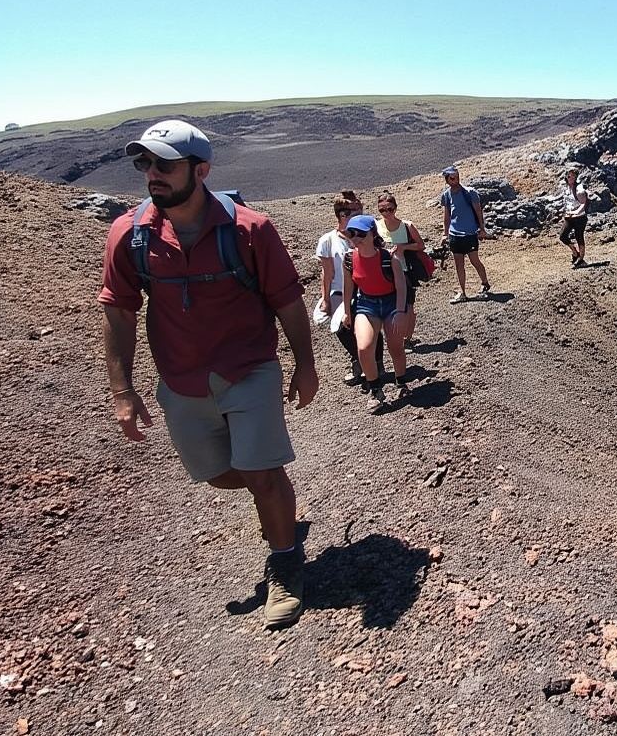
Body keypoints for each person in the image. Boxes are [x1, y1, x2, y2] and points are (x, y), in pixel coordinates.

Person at [98, 119, 317, 629]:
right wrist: (122, 390)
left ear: (201, 170)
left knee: (261, 473)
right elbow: (119, 311)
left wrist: (305, 365)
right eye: (144, 163)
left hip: (248, 368)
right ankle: (276, 493)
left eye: (164, 164)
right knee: (219, 475)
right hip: (181, 379)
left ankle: (285, 560)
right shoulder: (129, 235)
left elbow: (287, 300)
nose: (152, 174)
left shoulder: (250, 230)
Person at [341, 215, 410, 410]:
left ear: (372, 234)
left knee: (395, 347)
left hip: (390, 303)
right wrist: (347, 311)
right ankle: (376, 389)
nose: (355, 238)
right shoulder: (348, 259)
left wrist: (400, 311)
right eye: (350, 233)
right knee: (363, 348)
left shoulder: (389, 258)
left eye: (360, 234)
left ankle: (401, 382)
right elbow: (348, 286)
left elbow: (401, 286)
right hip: (366, 303)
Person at [314, 194, 383, 386]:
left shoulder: (364, 235)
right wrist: (325, 298)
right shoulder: (327, 240)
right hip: (340, 291)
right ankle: (362, 361)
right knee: (343, 328)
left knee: (370, 327)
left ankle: (374, 364)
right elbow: (326, 273)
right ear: (342, 215)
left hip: (365, 289)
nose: (360, 213)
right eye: (355, 211)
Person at [375, 191, 424, 353]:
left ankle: (407, 339)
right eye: (382, 210)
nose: (386, 213)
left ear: (395, 208)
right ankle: (394, 339)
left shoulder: (406, 226)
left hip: (404, 271)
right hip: (383, 272)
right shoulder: (375, 226)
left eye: (389, 209)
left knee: (408, 306)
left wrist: (403, 247)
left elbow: (420, 245)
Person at [439, 166, 490, 304]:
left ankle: (485, 283)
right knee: (459, 265)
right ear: (447, 179)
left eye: (456, 175)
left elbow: (479, 212)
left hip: (469, 234)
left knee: (475, 261)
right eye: (451, 176)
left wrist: (482, 229)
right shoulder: (446, 195)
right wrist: (445, 234)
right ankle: (463, 293)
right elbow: (447, 217)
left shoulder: (470, 192)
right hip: (455, 236)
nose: (454, 178)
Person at [559, 166, 590, 268]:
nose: (570, 178)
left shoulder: (579, 189)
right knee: (563, 236)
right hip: (569, 216)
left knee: (579, 236)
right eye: (569, 176)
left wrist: (576, 212)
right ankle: (575, 252)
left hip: (579, 217)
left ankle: (580, 259)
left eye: (573, 176)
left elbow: (583, 202)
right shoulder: (566, 187)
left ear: (576, 177)